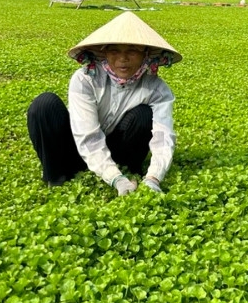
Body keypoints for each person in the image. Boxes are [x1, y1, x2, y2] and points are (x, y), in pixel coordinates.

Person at [27, 11, 181, 196]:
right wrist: (115, 178)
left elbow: (163, 137)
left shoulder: (157, 89)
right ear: (104, 53)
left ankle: (130, 170)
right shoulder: (85, 79)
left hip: (117, 153)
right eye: (114, 51)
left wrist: (154, 178)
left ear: (145, 54)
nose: (122, 59)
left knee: (143, 114)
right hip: (75, 149)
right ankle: (57, 177)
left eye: (132, 51)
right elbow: (87, 135)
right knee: (44, 104)